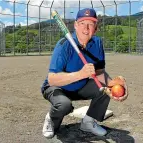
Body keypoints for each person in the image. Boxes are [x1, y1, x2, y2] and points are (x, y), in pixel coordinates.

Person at [40, 8, 128, 138]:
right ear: (75, 25)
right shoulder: (64, 45)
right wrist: (80, 74)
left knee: (103, 89)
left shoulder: (97, 43)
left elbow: (99, 72)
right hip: (57, 88)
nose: (86, 28)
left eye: (91, 24)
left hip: (81, 86)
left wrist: (112, 83)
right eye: (82, 23)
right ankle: (51, 119)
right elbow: (52, 79)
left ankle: (88, 122)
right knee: (63, 104)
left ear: (96, 28)